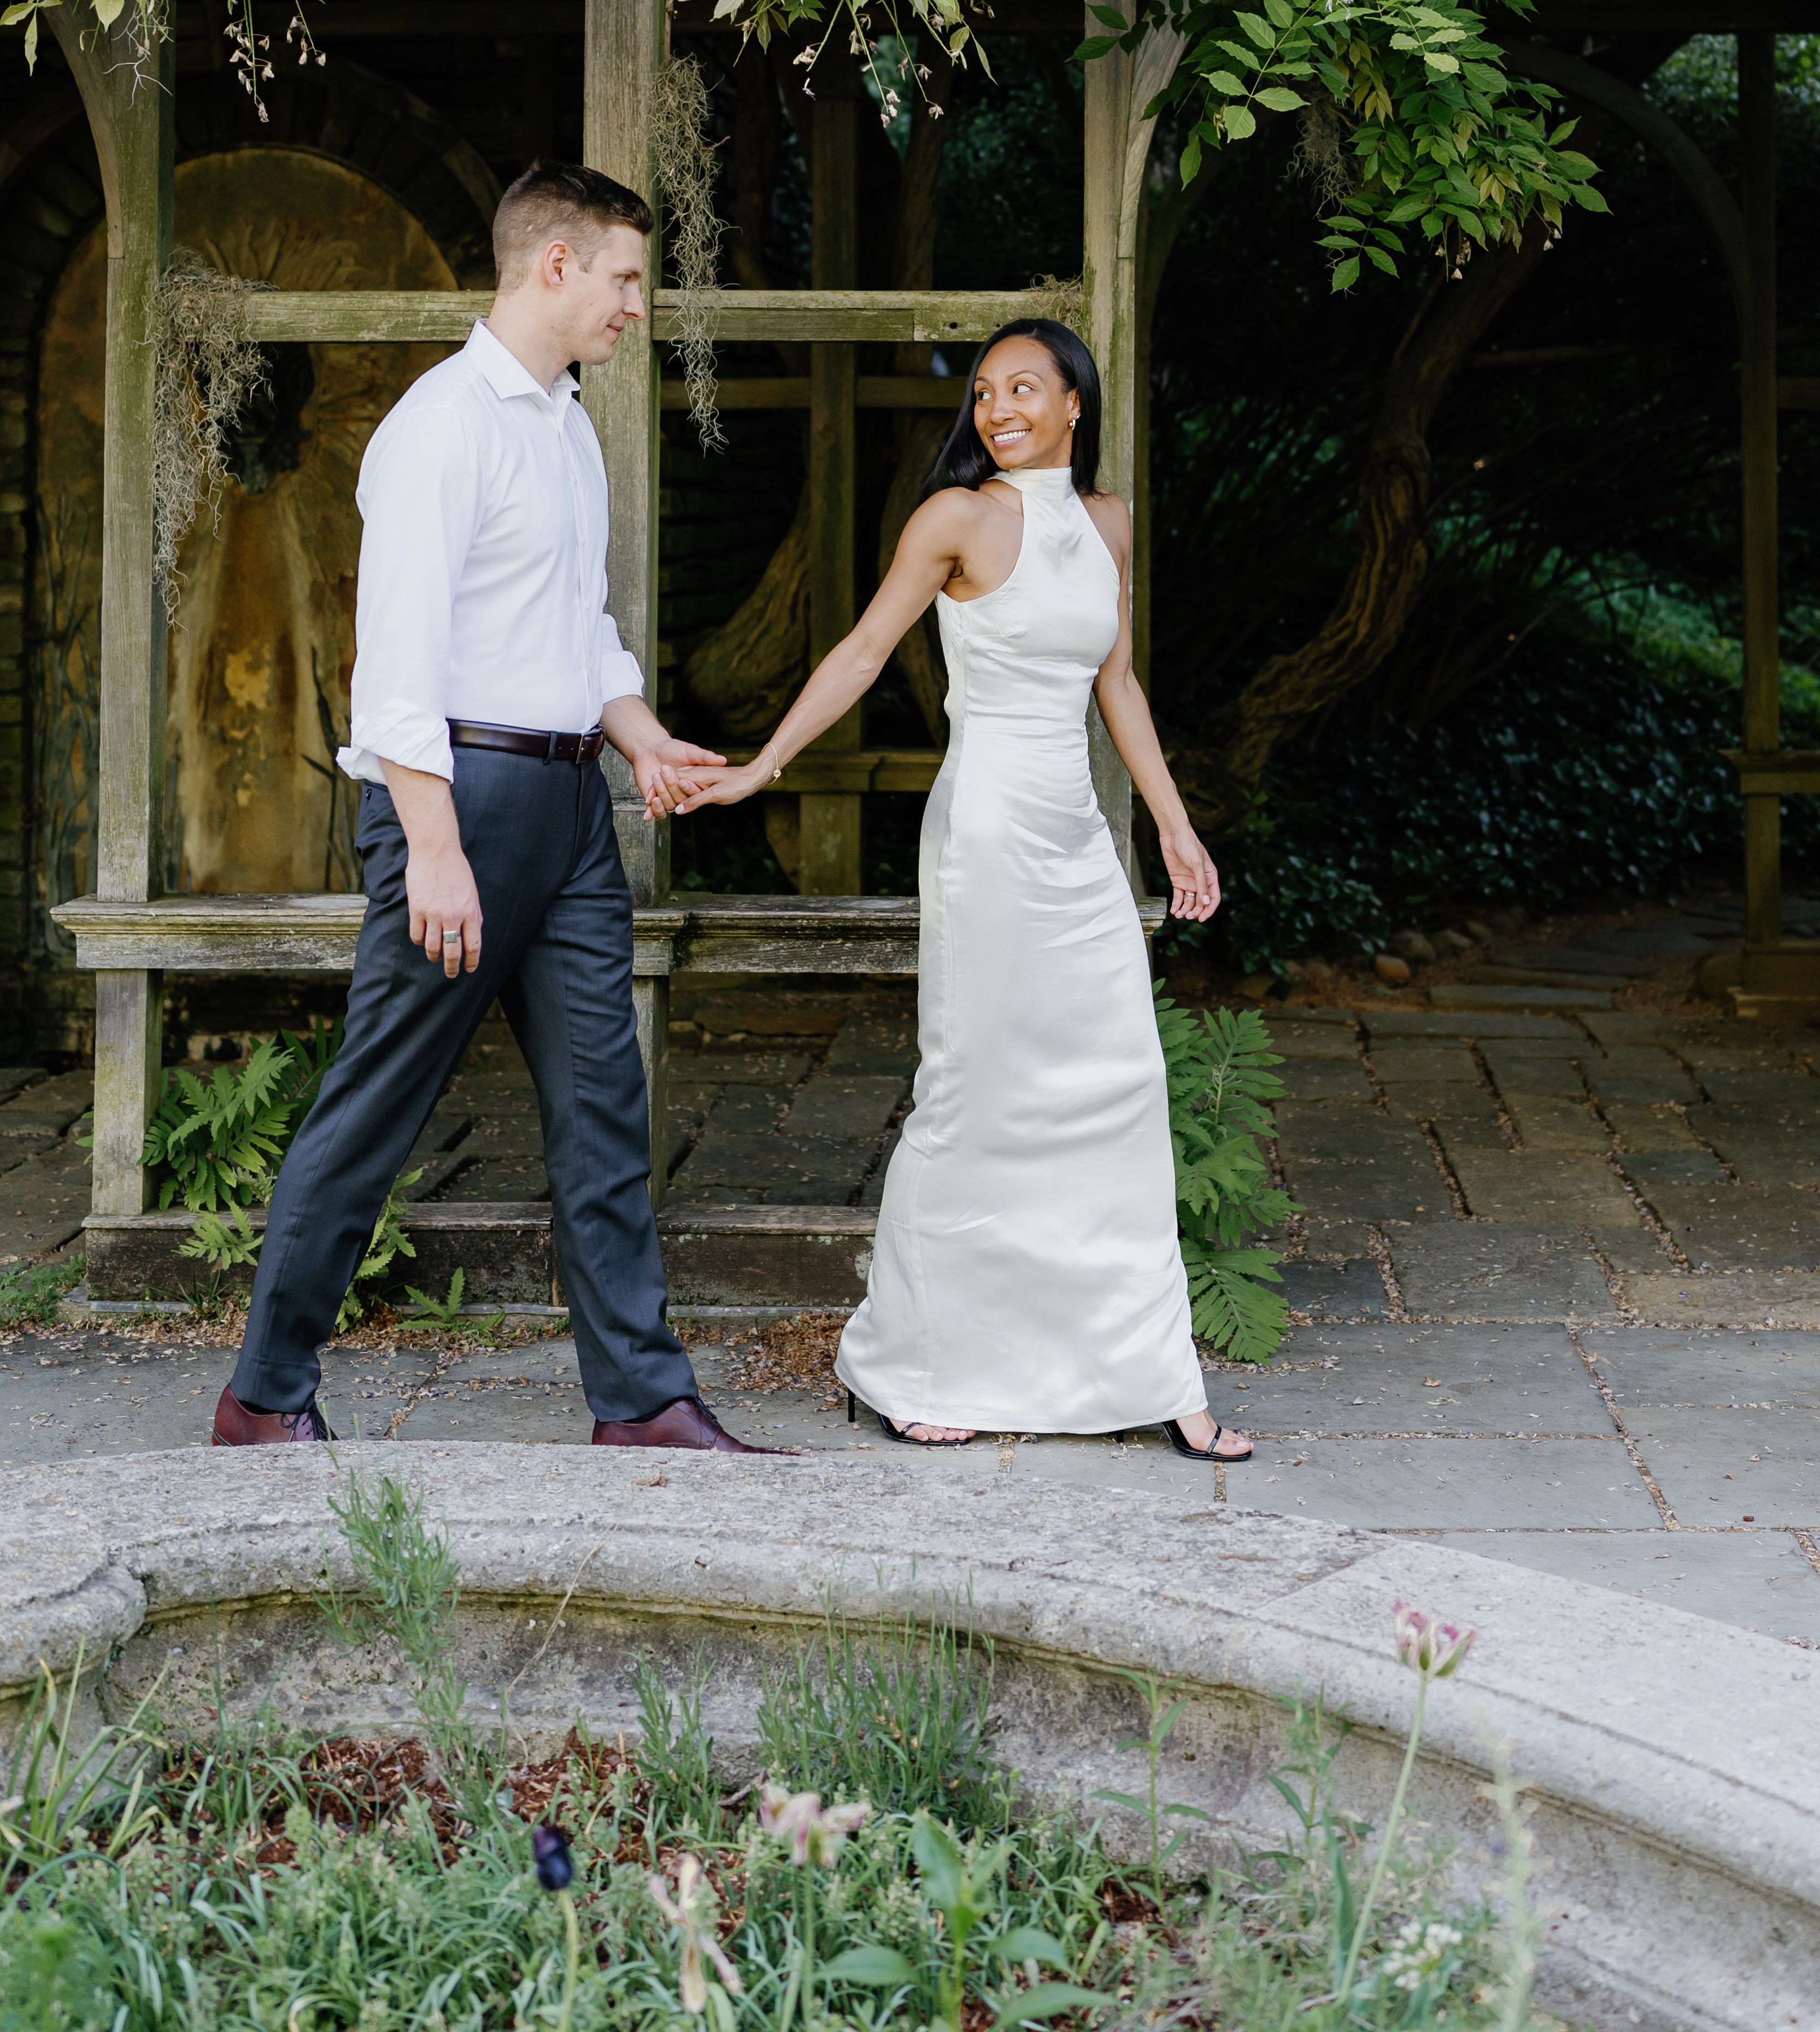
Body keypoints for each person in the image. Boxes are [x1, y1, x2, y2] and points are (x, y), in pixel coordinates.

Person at [213, 161, 767, 1455]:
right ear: (555, 266)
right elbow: (394, 659)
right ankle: (262, 1398)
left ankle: (640, 1402)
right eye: (628, 278)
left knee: (605, 1112)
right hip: (457, 805)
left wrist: (642, 741)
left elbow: (573, 631)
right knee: (377, 1107)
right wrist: (435, 847)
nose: (639, 305)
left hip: (573, 811)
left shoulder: (567, 424)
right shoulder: (440, 425)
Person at [659, 318, 1251, 1460]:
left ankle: (1156, 1378)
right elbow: (862, 651)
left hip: (1077, 841)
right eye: (983, 391)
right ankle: (912, 1366)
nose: (998, 408)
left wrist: (1172, 831)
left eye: (1023, 387)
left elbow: (1116, 682)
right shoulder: (955, 518)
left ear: (1074, 402)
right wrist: (755, 770)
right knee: (973, 1088)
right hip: (982, 829)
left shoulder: (1109, 523)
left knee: (1118, 1082)